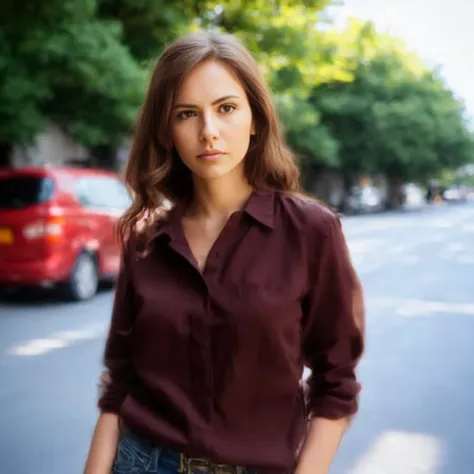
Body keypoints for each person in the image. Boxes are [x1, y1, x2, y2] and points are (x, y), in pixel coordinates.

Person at [83, 32, 365, 474]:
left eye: (226, 108)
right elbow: (120, 381)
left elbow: (336, 382)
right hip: (140, 461)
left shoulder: (312, 230)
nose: (208, 131)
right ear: (168, 129)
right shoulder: (146, 240)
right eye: (186, 114)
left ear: (255, 119)